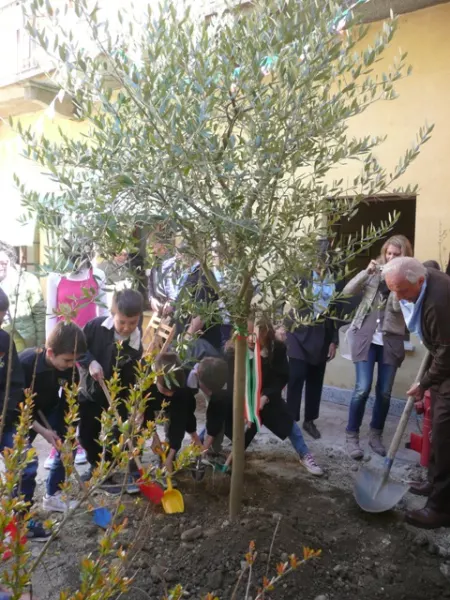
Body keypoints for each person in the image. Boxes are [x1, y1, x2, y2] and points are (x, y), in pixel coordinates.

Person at [201, 319, 324, 475]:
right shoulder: (233, 351)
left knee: (289, 423)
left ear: (266, 332)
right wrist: (245, 404)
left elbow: (281, 376)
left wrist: (265, 396)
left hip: (267, 397)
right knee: (217, 415)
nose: (253, 339)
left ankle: (304, 454)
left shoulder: (277, 349)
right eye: (249, 334)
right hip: (241, 397)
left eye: (257, 334)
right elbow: (232, 381)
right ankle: (200, 448)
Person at [384, 257, 450, 529]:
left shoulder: (437, 302)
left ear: (420, 281)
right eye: (393, 289)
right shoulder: (425, 276)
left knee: (446, 435)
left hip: (448, 363)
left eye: (402, 290)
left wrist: (423, 383)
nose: (397, 296)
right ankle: (434, 484)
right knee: (436, 428)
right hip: (442, 360)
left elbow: (447, 355)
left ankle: (441, 509)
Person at [343, 235, 412, 459]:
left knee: (384, 392)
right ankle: (351, 436)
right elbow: (347, 291)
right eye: (388, 253)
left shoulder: (409, 279)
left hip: (390, 341)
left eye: (396, 254)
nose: (390, 257)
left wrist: (396, 282)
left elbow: (401, 310)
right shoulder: (373, 275)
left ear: (404, 257)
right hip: (365, 337)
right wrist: (366, 272)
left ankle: (375, 435)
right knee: (362, 389)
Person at [45, 249, 108, 468]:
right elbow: (51, 314)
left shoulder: (96, 275)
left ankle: (81, 440)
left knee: (83, 396)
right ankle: (60, 443)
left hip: (87, 347)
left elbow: (104, 312)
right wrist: (49, 347)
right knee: (63, 396)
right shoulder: (55, 277)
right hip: (63, 347)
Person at [77, 289, 144, 488]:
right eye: (122, 322)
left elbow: (133, 375)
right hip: (90, 391)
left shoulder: (135, 343)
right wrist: (90, 362)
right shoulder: (94, 327)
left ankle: (119, 469)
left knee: (121, 433)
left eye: (132, 323)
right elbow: (78, 349)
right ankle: (98, 466)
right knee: (87, 434)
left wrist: (134, 402)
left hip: (118, 395)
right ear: (113, 313)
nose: (126, 328)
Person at [19, 321, 87, 514]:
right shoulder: (26, 364)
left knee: (69, 445)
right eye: (67, 360)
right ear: (50, 353)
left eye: (75, 360)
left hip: (48, 408)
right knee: (24, 460)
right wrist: (43, 431)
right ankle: (19, 511)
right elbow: (15, 405)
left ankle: (53, 495)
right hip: (21, 414)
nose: (72, 365)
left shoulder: (70, 369)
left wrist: (66, 435)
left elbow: (69, 404)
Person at [284, 261, 340, 439]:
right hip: (297, 331)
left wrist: (334, 340)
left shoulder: (333, 280)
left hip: (321, 334)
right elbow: (282, 298)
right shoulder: (300, 275)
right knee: (296, 375)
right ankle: (291, 421)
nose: (320, 264)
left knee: (315, 379)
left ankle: (309, 420)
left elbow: (336, 311)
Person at [145, 352, 201, 473]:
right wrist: (154, 436)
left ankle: (166, 458)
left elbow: (180, 422)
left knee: (172, 427)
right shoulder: (147, 385)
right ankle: (134, 467)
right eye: (165, 391)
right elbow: (146, 414)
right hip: (151, 403)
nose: (169, 394)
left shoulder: (182, 391)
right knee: (137, 430)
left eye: (172, 391)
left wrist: (170, 457)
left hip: (178, 401)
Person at [0, 241, 45, 352]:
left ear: (10, 261)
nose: (0, 266)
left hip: (22, 339)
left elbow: (39, 315)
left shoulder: (27, 280)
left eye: (3, 262)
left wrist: (40, 345)